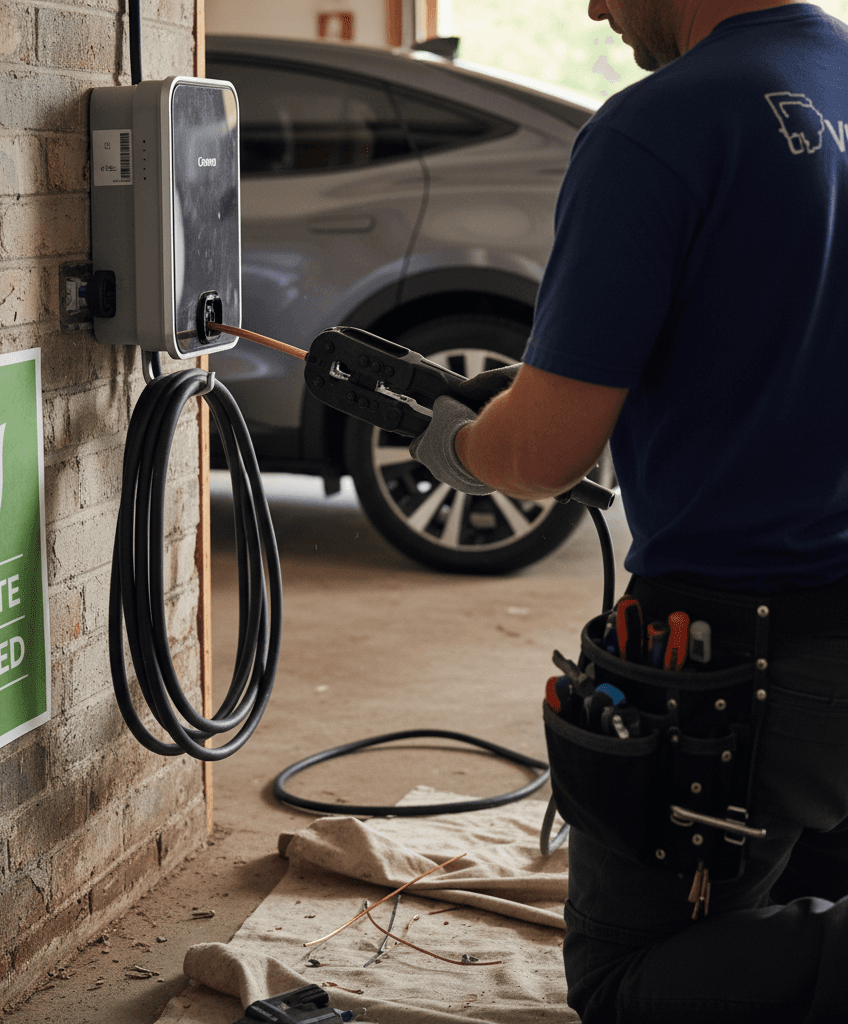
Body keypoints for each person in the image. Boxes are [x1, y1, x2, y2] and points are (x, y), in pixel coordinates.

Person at [408, 1, 848, 1020]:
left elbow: (544, 453)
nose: (596, 6)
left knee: (621, 983)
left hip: (748, 658)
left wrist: (459, 443)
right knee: (799, 897)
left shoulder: (661, 123)